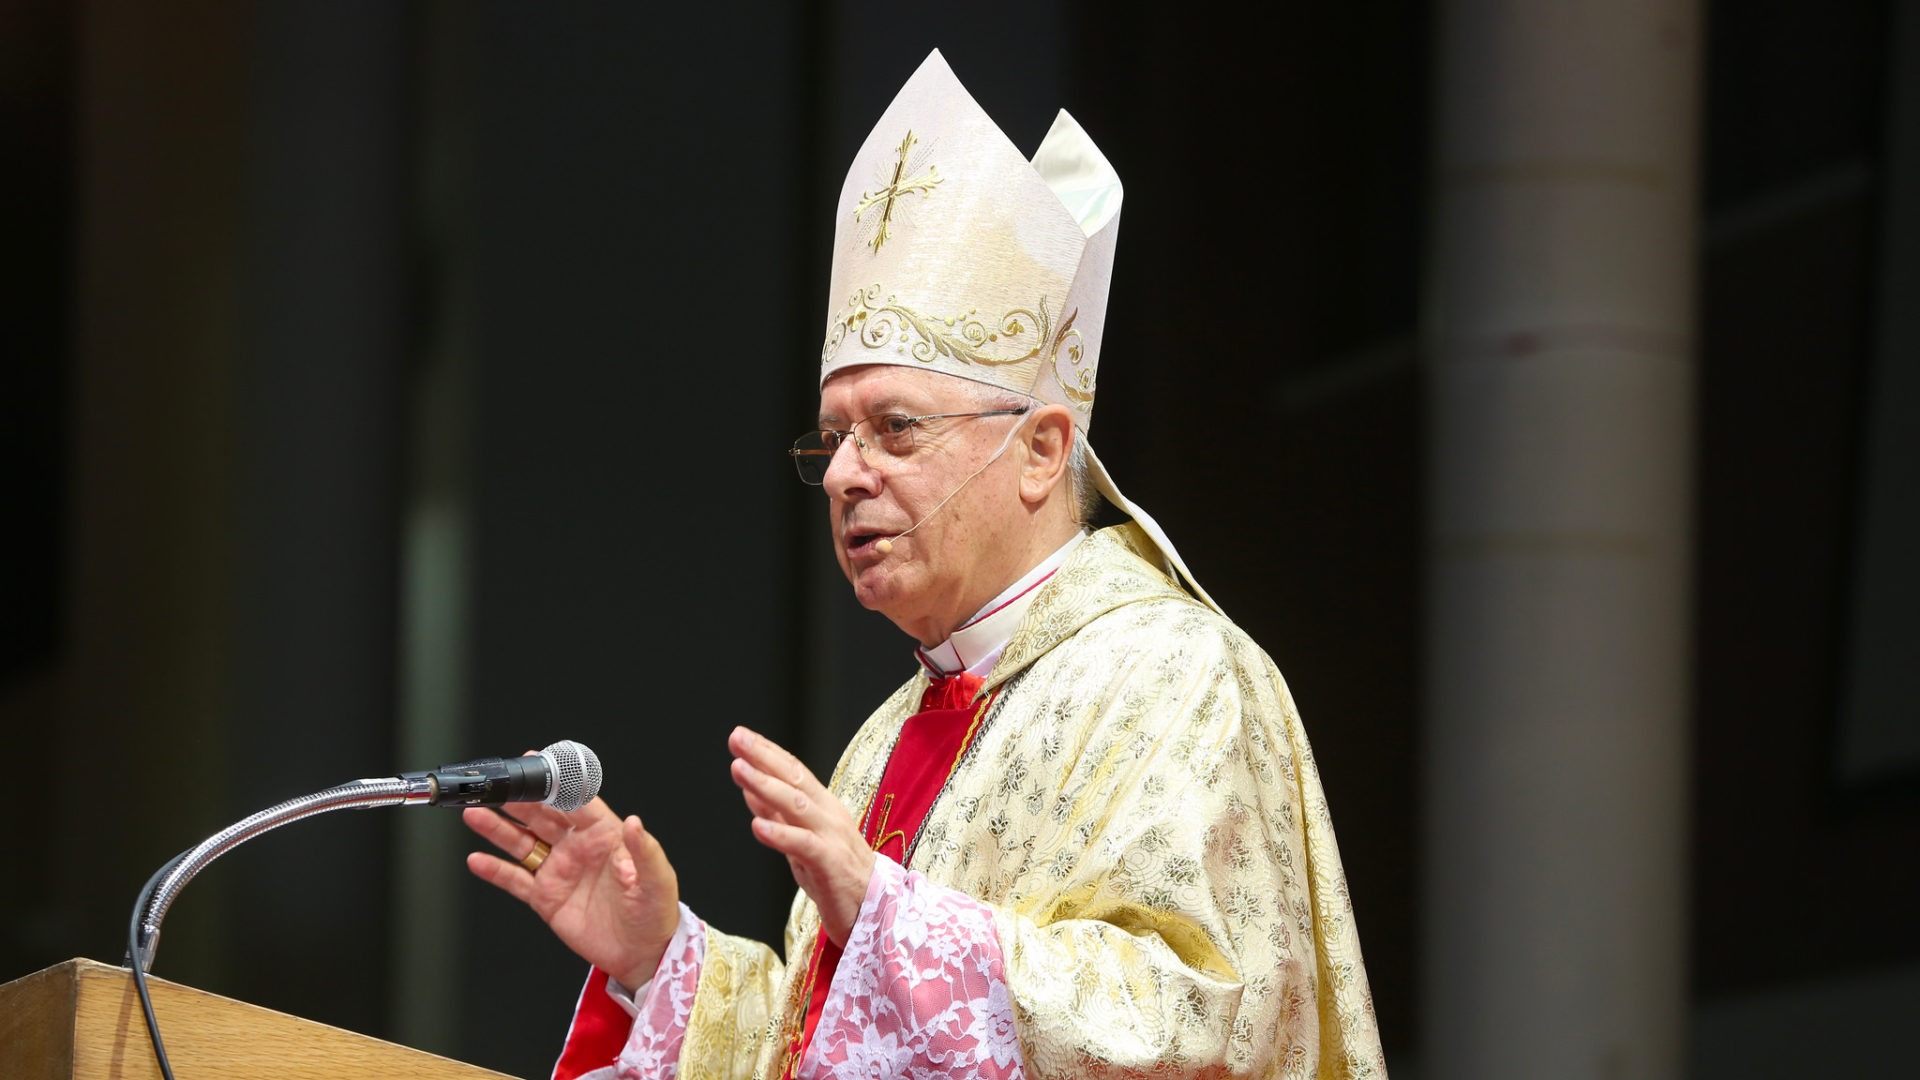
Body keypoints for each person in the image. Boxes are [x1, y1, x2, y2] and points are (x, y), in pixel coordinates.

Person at [462, 51, 1387, 1080]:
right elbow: (825, 1047)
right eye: (834, 439)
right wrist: (660, 964)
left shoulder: (1174, 680)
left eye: (895, 429)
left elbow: (1200, 1032)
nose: (848, 475)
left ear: (1039, 451)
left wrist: (884, 909)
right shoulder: (888, 737)